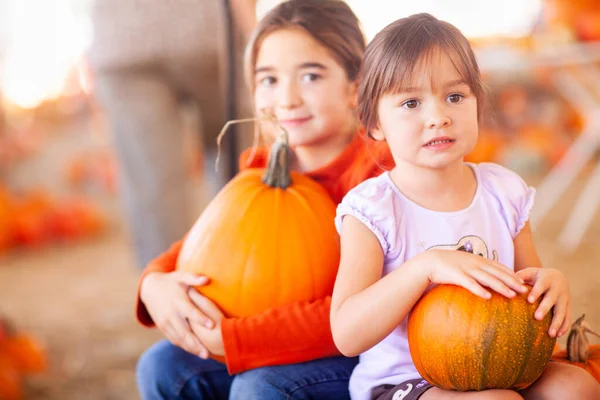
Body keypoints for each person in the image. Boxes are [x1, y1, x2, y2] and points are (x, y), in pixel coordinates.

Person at [329, 13, 600, 400]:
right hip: (405, 384)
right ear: (373, 123)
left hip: (502, 364)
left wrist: (549, 285)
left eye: (455, 97)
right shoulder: (373, 210)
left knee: (575, 386)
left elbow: (528, 287)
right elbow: (347, 334)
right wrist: (423, 268)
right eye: (410, 102)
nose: (438, 117)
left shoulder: (502, 191)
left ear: (477, 103)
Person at [135, 1, 394, 399]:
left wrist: (239, 339)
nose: (286, 99)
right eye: (268, 80)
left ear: (355, 87)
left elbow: (356, 311)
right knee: (163, 366)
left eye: (310, 76)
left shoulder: (379, 176)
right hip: (275, 341)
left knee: (260, 388)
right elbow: (204, 245)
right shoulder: (263, 169)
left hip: (365, 356)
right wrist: (154, 281)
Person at [88, 0, 257, 269]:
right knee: (232, 169)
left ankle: (238, 277)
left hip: (196, 37)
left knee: (237, 169)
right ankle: (164, 293)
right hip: (170, 39)